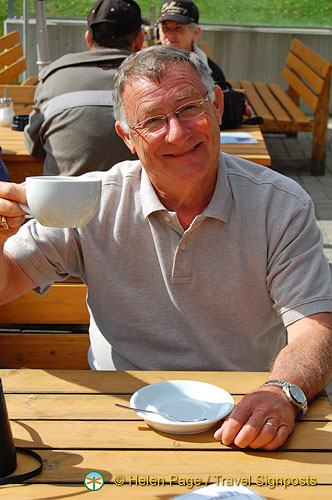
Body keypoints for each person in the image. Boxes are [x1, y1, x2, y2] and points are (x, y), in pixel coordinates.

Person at [1, 46, 332, 451]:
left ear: (217, 105)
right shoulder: (93, 200)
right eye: (153, 120)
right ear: (127, 137)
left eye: (189, 108)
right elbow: (6, 283)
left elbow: (316, 325)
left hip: (246, 416)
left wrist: (282, 392)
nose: (177, 132)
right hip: (118, 415)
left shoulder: (280, 204)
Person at [24, 0, 147, 176]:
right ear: (140, 39)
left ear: (88, 38)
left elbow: (33, 146)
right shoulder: (154, 81)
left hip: (62, 201)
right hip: (135, 201)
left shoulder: (53, 78)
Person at [157, 0, 227, 90]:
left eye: (178, 28)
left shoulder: (212, 74)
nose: (171, 35)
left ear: (196, 33)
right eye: (165, 28)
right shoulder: (144, 66)